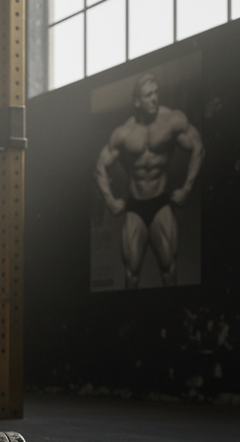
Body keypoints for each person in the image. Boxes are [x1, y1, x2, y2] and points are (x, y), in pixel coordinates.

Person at [94, 72, 204, 289]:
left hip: (161, 202)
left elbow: (198, 148)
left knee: (169, 270)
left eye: (156, 93)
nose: (155, 98)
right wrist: (110, 202)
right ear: (137, 101)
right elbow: (99, 167)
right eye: (148, 95)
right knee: (131, 274)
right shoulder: (124, 133)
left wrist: (186, 189)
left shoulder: (172, 121)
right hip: (135, 206)